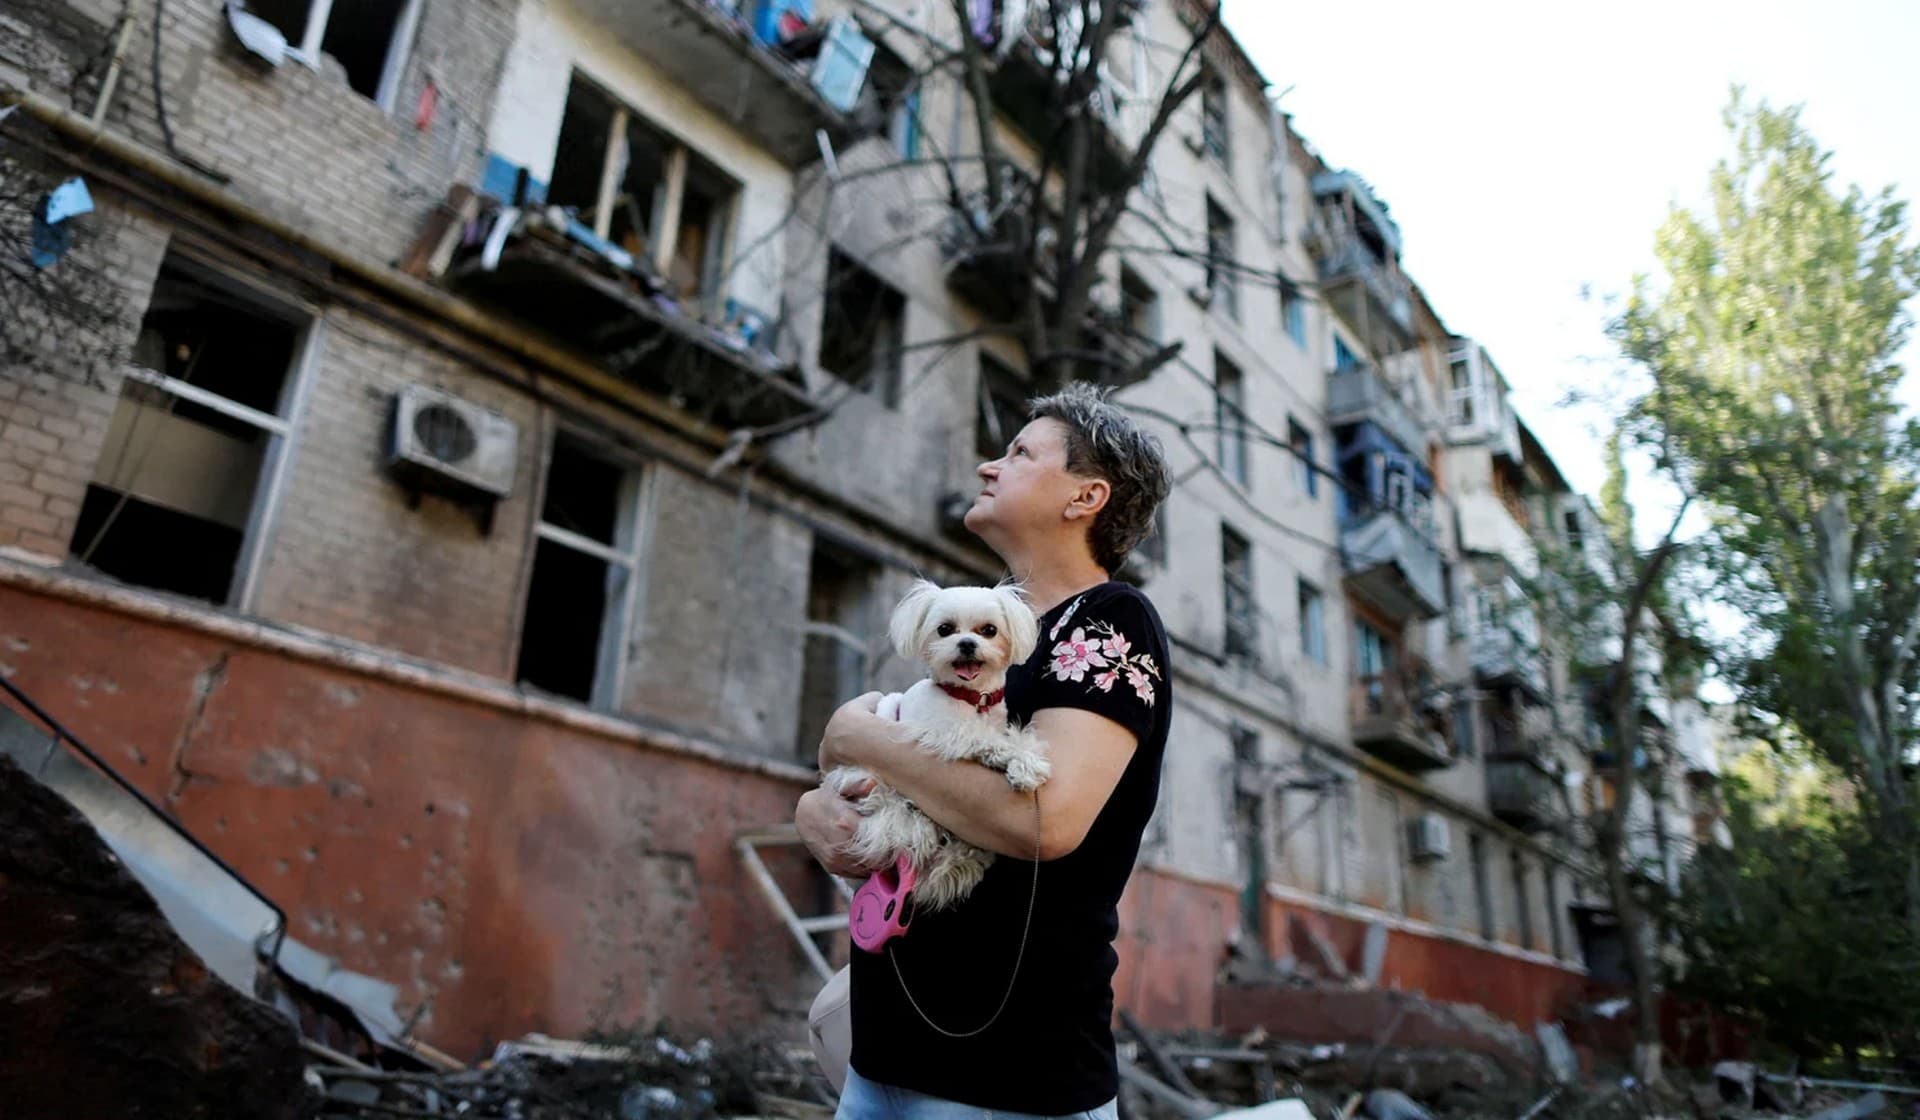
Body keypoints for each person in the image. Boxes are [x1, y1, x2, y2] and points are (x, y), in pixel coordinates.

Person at [796, 381, 1174, 1120]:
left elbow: (1047, 821)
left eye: (1020, 453)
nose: (987, 468)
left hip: (1009, 1076)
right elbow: (900, 778)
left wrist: (855, 732)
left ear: (1085, 497)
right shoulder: (975, 639)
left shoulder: (1108, 621)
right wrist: (816, 810)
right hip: (884, 1054)